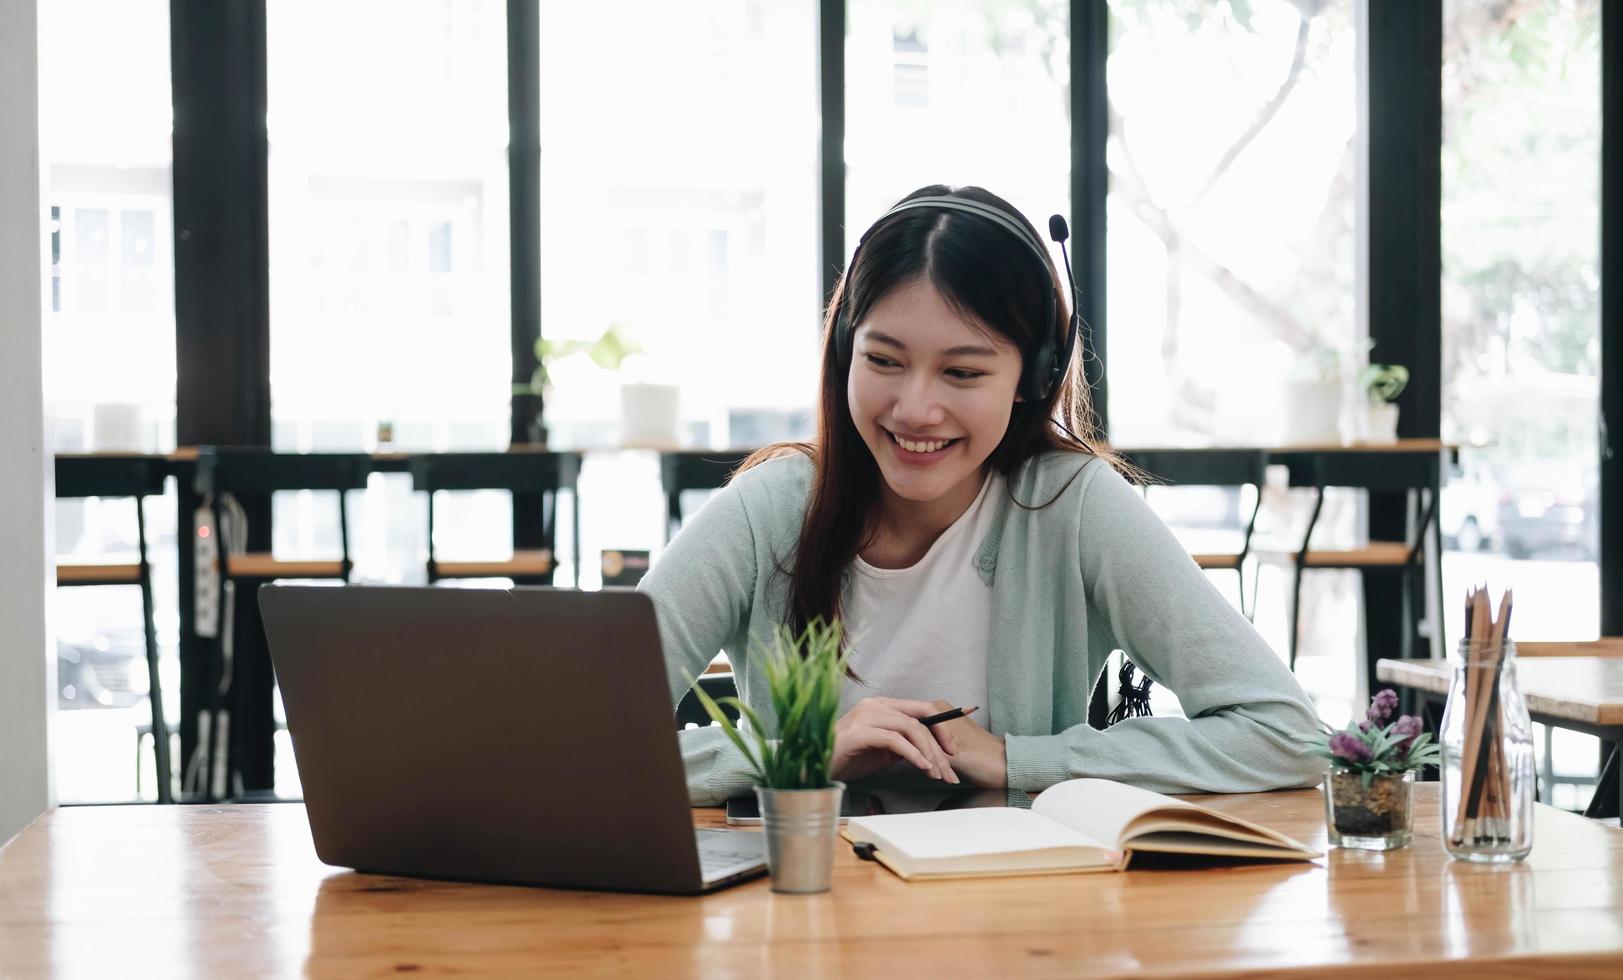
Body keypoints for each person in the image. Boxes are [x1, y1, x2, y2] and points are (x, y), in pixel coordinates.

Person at [641, 184, 1322, 805]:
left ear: (1034, 376)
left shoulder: (1071, 506)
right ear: (845, 351)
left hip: (1015, 916)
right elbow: (572, 741)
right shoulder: (772, 509)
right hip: (809, 913)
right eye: (883, 361)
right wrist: (800, 755)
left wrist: (1016, 759)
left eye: (962, 372)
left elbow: (1285, 733)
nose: (915, 409)